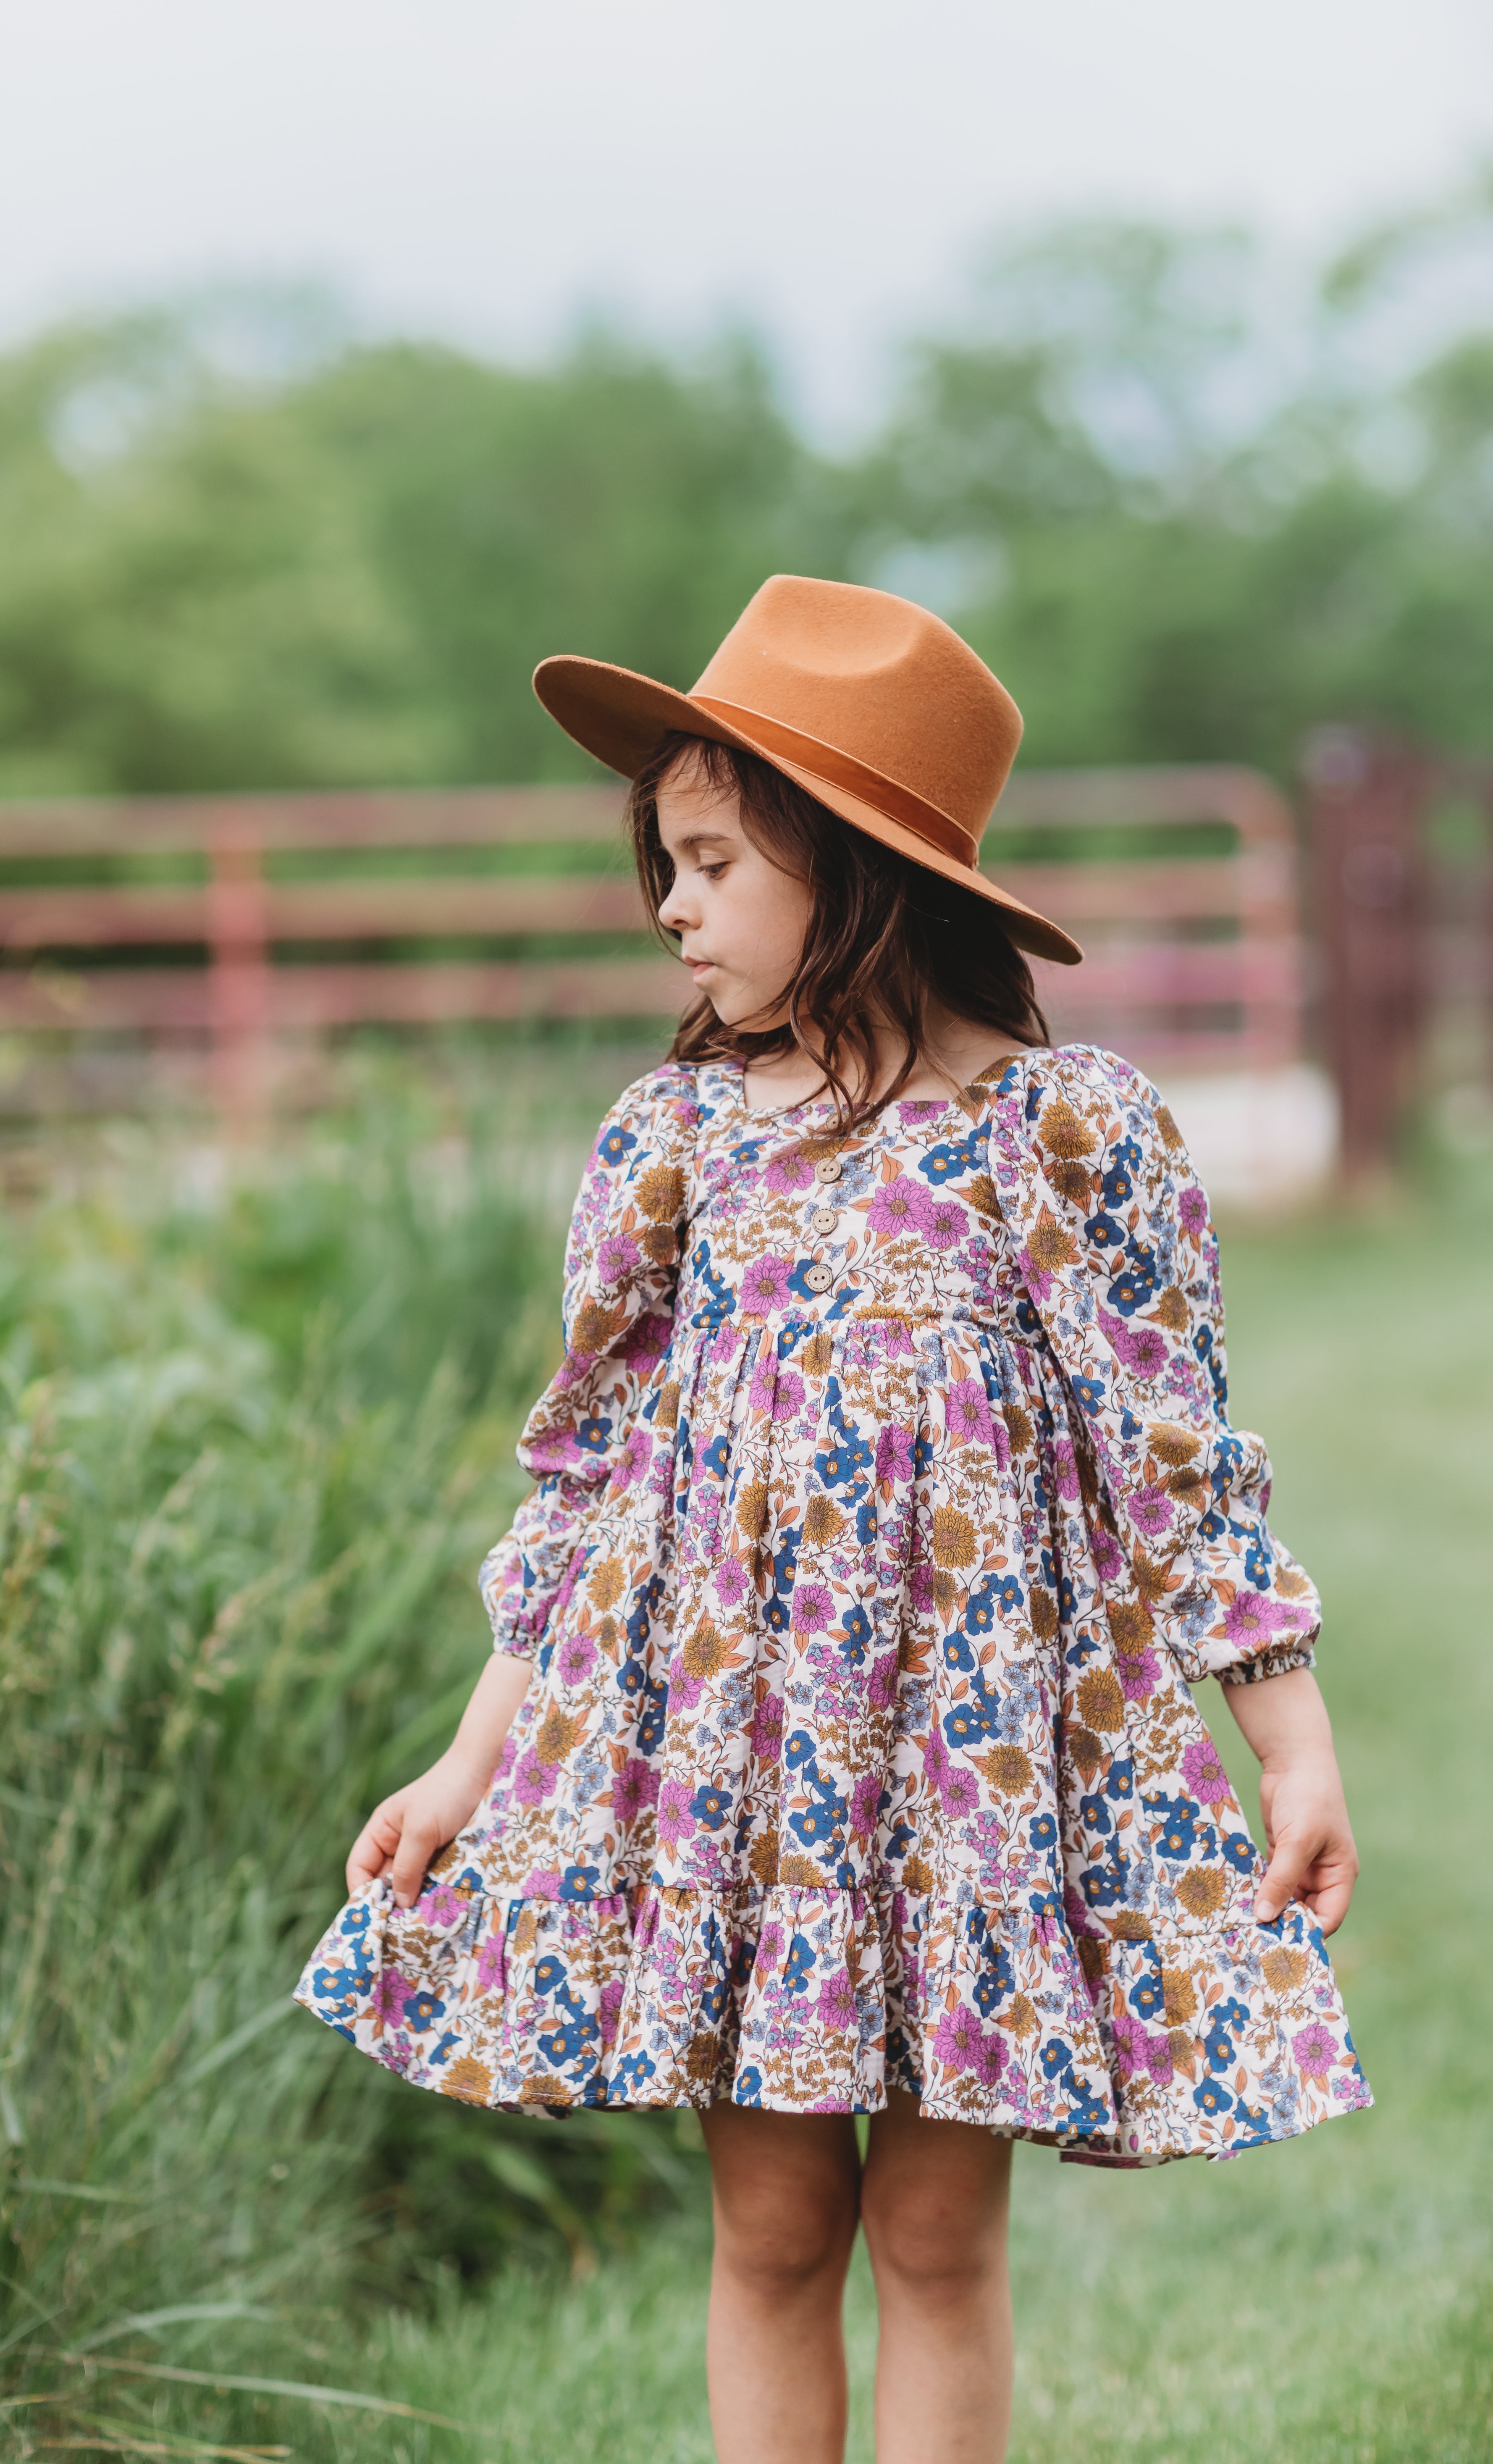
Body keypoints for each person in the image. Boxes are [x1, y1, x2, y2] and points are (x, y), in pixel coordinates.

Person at [294, 577, 1368, 2464]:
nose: (673, 906)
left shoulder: (1064, 1133)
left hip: (970, 1783)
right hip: (745, 1772)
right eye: (667, 862)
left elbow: (1177, 1453)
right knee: (776, 2223)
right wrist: (474, 1765)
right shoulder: (674, 1146)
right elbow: (591, 1489)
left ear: (855, 866)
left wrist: (1287, 1744)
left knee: (936, 2228)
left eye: (711, 860)